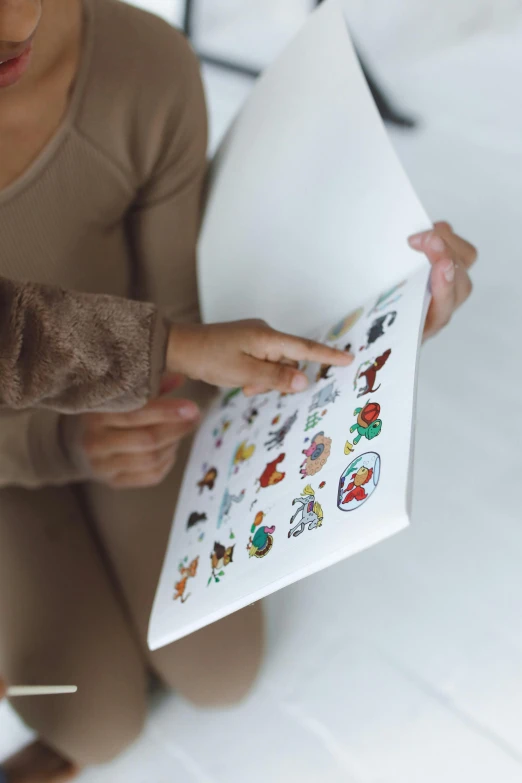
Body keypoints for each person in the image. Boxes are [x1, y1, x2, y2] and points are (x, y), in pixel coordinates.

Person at [0, 0, 476, 780]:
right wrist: (57, 443)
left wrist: (376, 305)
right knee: (92, 718)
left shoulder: (141, 66)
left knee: (220, 668)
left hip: (142, 410)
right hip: (15, 454)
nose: (19, 24)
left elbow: (192, 324)